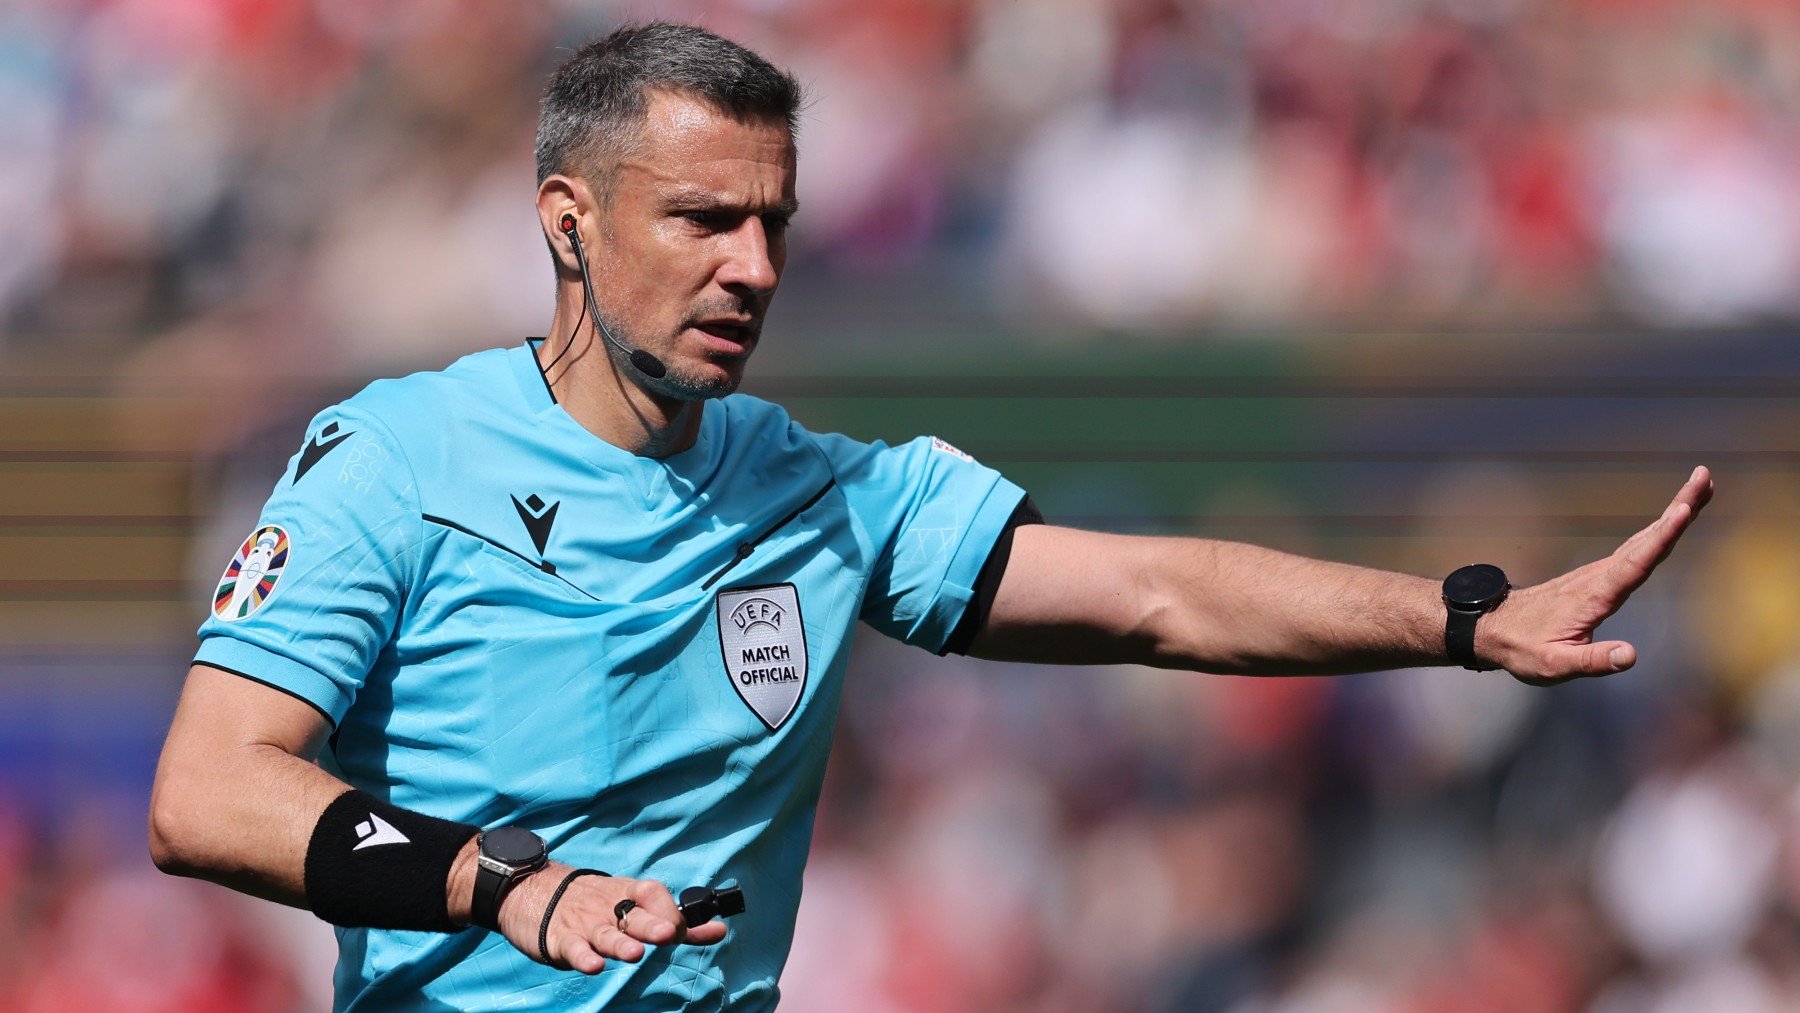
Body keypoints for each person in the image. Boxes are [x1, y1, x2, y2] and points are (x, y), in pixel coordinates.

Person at [148, 22, 1715, 1012]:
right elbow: (210, 792)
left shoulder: (822, 493)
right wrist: (511, 884)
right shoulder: (395, 456)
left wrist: (1455, 619)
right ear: (569, 223)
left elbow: (1162, 596)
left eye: (775, 223)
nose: (752, 268)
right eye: (703, 219)